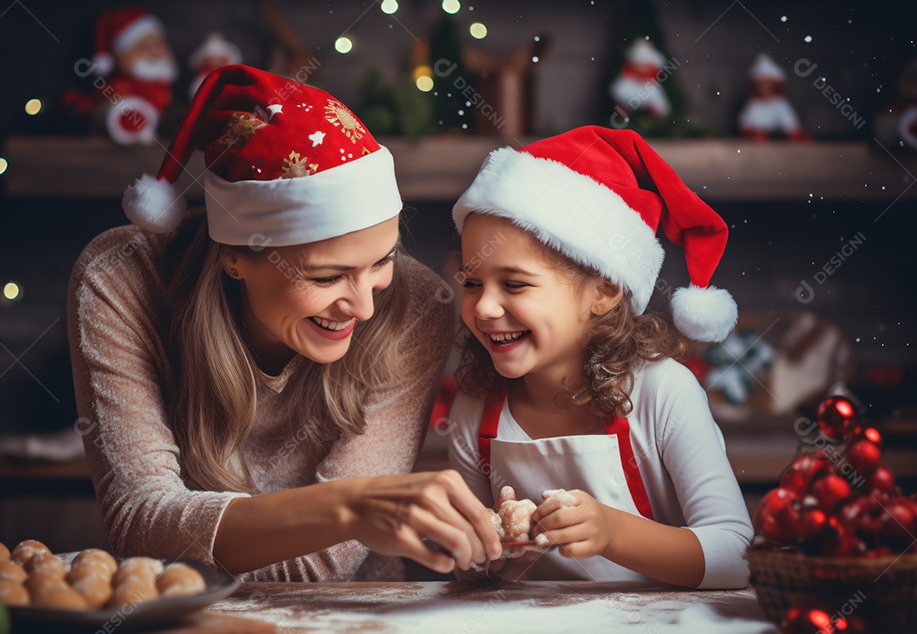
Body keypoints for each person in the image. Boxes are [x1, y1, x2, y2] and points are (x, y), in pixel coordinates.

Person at [68, 65, 502, 582]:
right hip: (177, 620)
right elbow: (140, 522)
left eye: (382, 261)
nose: (364, 308)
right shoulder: (122, 277)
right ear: (235, 256)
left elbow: (329, 564)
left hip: (356, 622)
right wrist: (348, 508)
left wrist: (341, 518)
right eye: (328, 276)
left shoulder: (416, 304)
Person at [446, 126, 753, 588]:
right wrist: (495, 558)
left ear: (605, 290)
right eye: (472, 283)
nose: (485, 307)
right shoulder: (474, 409)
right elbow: (469, 572)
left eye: (514, 284)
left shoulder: (663, 392)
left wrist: (611, 532)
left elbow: (736, 556)